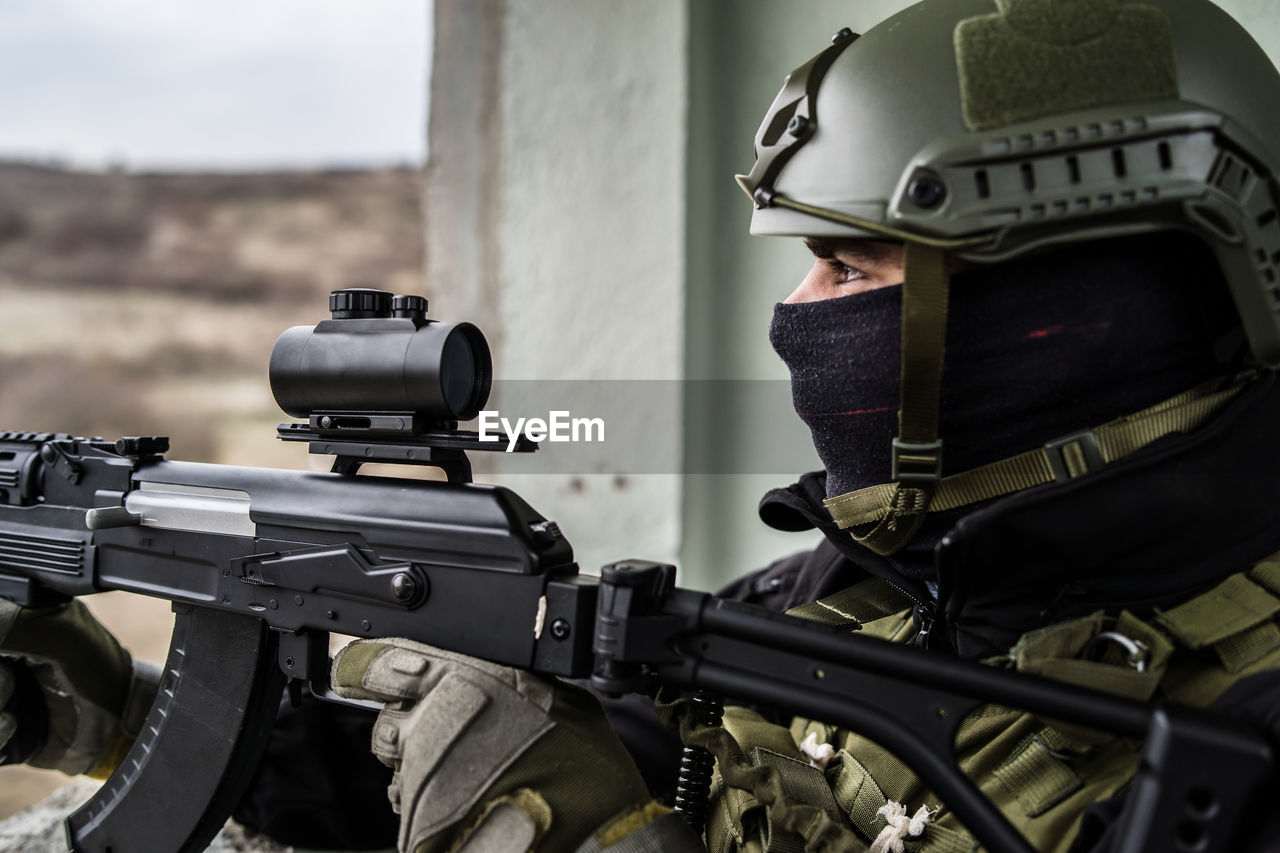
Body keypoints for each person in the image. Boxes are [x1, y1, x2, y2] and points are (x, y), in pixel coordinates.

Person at [5, 0, 1280, 850]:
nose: (796, 314)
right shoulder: (838, 587)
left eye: (850, 271)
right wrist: (115, 707)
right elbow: (525, 782)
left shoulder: (1243, 719)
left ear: (1081, 307)